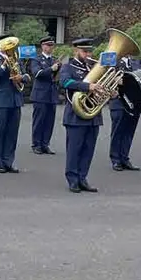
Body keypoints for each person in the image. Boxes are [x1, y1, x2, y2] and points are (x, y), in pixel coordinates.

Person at [59, 38, 102, 193]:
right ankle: (72, 179)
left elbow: (101, 87)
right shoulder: (68, 67)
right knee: (74, 150)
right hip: (75, 115)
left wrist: (109, 91)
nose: (88, 54)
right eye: (84, 51)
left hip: (93, 115)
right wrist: (87, 86)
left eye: (89, 51)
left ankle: (83, 178)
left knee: (88, 149)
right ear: (75, 51)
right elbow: (64, 83)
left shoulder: (94, 67)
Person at [0, 37, 28, 174]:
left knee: (12, 133)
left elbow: (27, 76)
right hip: (1, 100)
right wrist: (4, 66)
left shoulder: (16, 58)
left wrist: (21, 78)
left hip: (15, 100)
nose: (11, 49)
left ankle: (8, 161)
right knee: (0, 133)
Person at [107, 53, 141, 171]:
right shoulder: (112, 61)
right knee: (118, 131)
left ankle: (124, 158)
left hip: (133, 102)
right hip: (118, 101)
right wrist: (114, 79)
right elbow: (105, 77)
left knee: (129, 132)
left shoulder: (135, 62)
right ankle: (115, 159)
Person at [27, 36, 60, 155]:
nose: (50, 47)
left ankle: (45, 144)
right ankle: (36, 144)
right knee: (39, 120)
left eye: (51, 45)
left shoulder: (55, 59)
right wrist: (51, 69)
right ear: (42, 46)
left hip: (51, 94)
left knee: (49, 121)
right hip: (40, 94)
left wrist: (58, 70)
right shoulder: (36, 59)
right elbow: (37, 73)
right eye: (47, 45)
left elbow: (57, 76)